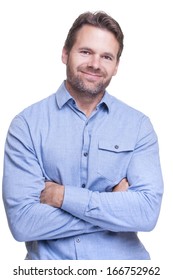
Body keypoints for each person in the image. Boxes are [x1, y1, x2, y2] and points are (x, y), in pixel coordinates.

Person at [2, 11, 163, 260]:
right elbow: (24, 223)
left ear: (116, 66)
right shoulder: (27, 125)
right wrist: (112, 206)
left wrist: (62, 196)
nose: (95, 64)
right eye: (86, 52)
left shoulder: (138, 126)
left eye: (106, 56)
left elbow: (147, 213)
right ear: (65, 53)